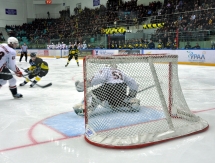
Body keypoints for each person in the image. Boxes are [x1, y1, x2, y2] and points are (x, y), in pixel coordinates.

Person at [73, 64, 140, 116]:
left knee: (92, 95)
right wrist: (131, 95)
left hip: (108, 89)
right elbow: (133, 83)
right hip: (121, 90)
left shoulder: (106, 69)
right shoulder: (121, 72)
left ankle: (85, 109)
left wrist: (83, 85)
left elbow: (100, 78)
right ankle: (131, 103)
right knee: (119, 101)